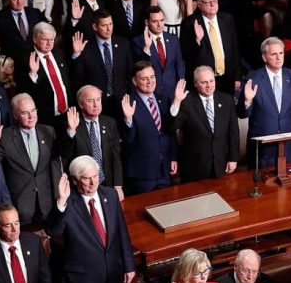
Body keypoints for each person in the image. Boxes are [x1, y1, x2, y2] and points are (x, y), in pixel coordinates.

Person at [48, 156, 135, 283]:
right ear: (75, 180)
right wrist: (61, 201)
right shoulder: (68, 202)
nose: (93, 182)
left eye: (95, 176)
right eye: (87, 178)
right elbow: (53, 230)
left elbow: (122, 232)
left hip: (112, 277)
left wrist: (129, 265)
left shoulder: (110, 195)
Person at [238, 37, 291, 167]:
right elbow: (242, 114)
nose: (278, 58)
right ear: (264, 57)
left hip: (287, 144)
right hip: (262, 146)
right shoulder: (253, 79)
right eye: (274, 54)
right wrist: (247, 101)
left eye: (281, 53)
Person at [0, 93, 58, 226]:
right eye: (25, 113)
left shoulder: (49, 132)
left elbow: (60, 158)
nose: (31, 116)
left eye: (33, 110)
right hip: (21, 208)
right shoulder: (5, 137)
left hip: (47, 205)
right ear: (15, 115)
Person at [169, 67, 239, 182]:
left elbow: (233, 132)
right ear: (196, 84)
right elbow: (171, 127)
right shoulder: (186, 102)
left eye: (211, 81)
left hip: (221, 166)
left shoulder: (227, 100)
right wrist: (176, 102)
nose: (209, 85)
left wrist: (233, 159)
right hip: (194, 169)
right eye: (204, 82)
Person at [121, 61, 178, 194]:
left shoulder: (163, 99)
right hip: (142, 174)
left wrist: (173, 157)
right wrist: (128, 119)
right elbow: (128, 140)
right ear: (135, 81)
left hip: (164, 171)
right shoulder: (128, 103)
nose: (150, 82)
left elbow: (170, 131)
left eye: (152, 77)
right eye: (144, 78)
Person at [59, 86, 124, 196]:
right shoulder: (72, 124)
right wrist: (71, 131)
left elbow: (116, 157)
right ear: (81, 104)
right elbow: (65, 154)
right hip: (82, 187)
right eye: (90, 101)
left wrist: (118, 186)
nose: (96, 104)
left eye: (98, 100)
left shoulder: (109, 123)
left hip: (107, 184)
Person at [180, 0, 241, 95]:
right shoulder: (189, 23)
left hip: (227, 78)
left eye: (215, 1)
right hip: (205, 82)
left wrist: (237, 76)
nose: (213, 5)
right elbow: (186, 55)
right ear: (199, 5)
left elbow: (234, 49)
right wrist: (197, 41)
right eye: (208, 2)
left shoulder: (227, 19)